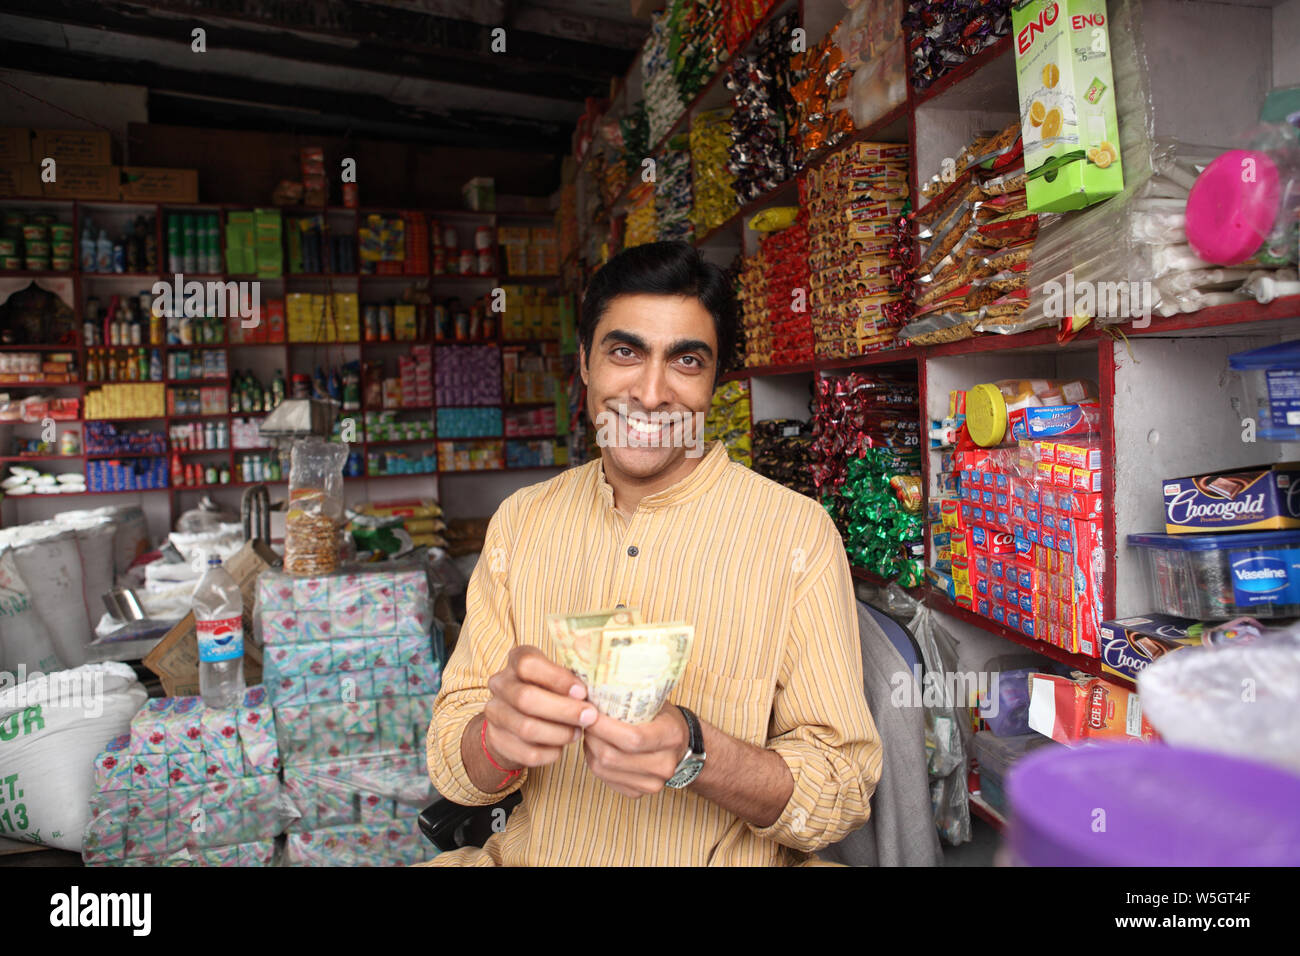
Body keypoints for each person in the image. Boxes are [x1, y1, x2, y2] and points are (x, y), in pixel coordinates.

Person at [423, 241, 882, 866]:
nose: (650, 392)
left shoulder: (795, 535)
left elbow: (843, 790)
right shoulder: (521, 523)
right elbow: (454, 763)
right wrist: (497, 740)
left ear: (716, 380)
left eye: (686, 361)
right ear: (585, 364)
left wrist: (696, 751)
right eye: (625, 351)